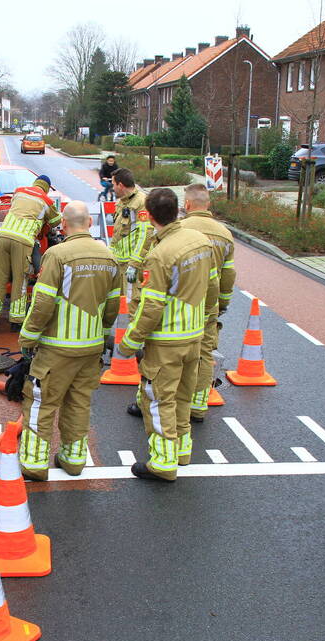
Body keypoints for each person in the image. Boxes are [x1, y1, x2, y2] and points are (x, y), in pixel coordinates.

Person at [17, 201, 120, 481]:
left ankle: (35, 463)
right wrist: (100, 332)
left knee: (42, 403)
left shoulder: (57, 255)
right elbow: (112, 307)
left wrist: (28, 337)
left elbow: (42, 303)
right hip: (90, 348)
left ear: (63, 224)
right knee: (78, 403)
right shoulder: (110, 257)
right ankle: (74, 460)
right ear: (89, 223)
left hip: (56, 348)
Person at [117, 188, 214, 482]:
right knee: (183, 396)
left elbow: (151, 306)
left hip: (166, 341)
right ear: (178, 209)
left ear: (151, 214)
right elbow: (212, 284)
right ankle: (182, 451)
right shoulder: (200, 241)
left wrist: (128, 343)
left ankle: (162, 462)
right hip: (194, 334)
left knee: (158, 401)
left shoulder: (160, 255)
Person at [179, 184, 235, 422]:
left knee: (172, 353)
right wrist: (221, 303)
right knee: (203, 355)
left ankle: (169, 403)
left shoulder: (179, 230)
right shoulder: (224, 234)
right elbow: (228, 274)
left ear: (187, 205)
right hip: (208, 306)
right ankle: (198, 406)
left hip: (181, 304)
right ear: (208, 204)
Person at [0, 175, 62, 333]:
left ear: (35, 183)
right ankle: (16, 321)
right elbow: (56, 222)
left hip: (3, 236)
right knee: (20, 281)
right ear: (47, 188)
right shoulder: (46, 201)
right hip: (23, 241)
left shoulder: (19, 192)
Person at [109, 168, 152, 302]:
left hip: (132, 266)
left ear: (120, 185)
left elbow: (145, 236)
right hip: (120, 264)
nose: (112, 187)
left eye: (113, 184)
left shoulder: (141, 203)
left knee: (131, 302)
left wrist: (134, 265)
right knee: (120, 302)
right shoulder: (122, 201)